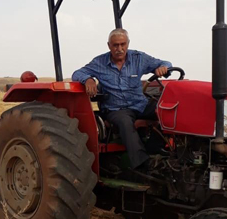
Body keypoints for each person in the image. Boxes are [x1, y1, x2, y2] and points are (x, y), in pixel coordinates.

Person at [72, 28, 171, 169]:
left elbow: (166, 63)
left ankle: (154, 149)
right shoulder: (99, 62)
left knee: (167, 112)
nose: (119, 49)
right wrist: (88, 79)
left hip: (140, 104)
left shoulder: (139, 58)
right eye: (115, 45)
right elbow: (78, 73)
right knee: (125, 122)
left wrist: (163, 68)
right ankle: (144, 165)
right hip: (116, 109)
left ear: (128, 44)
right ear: (109, 46)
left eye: (123, 44)